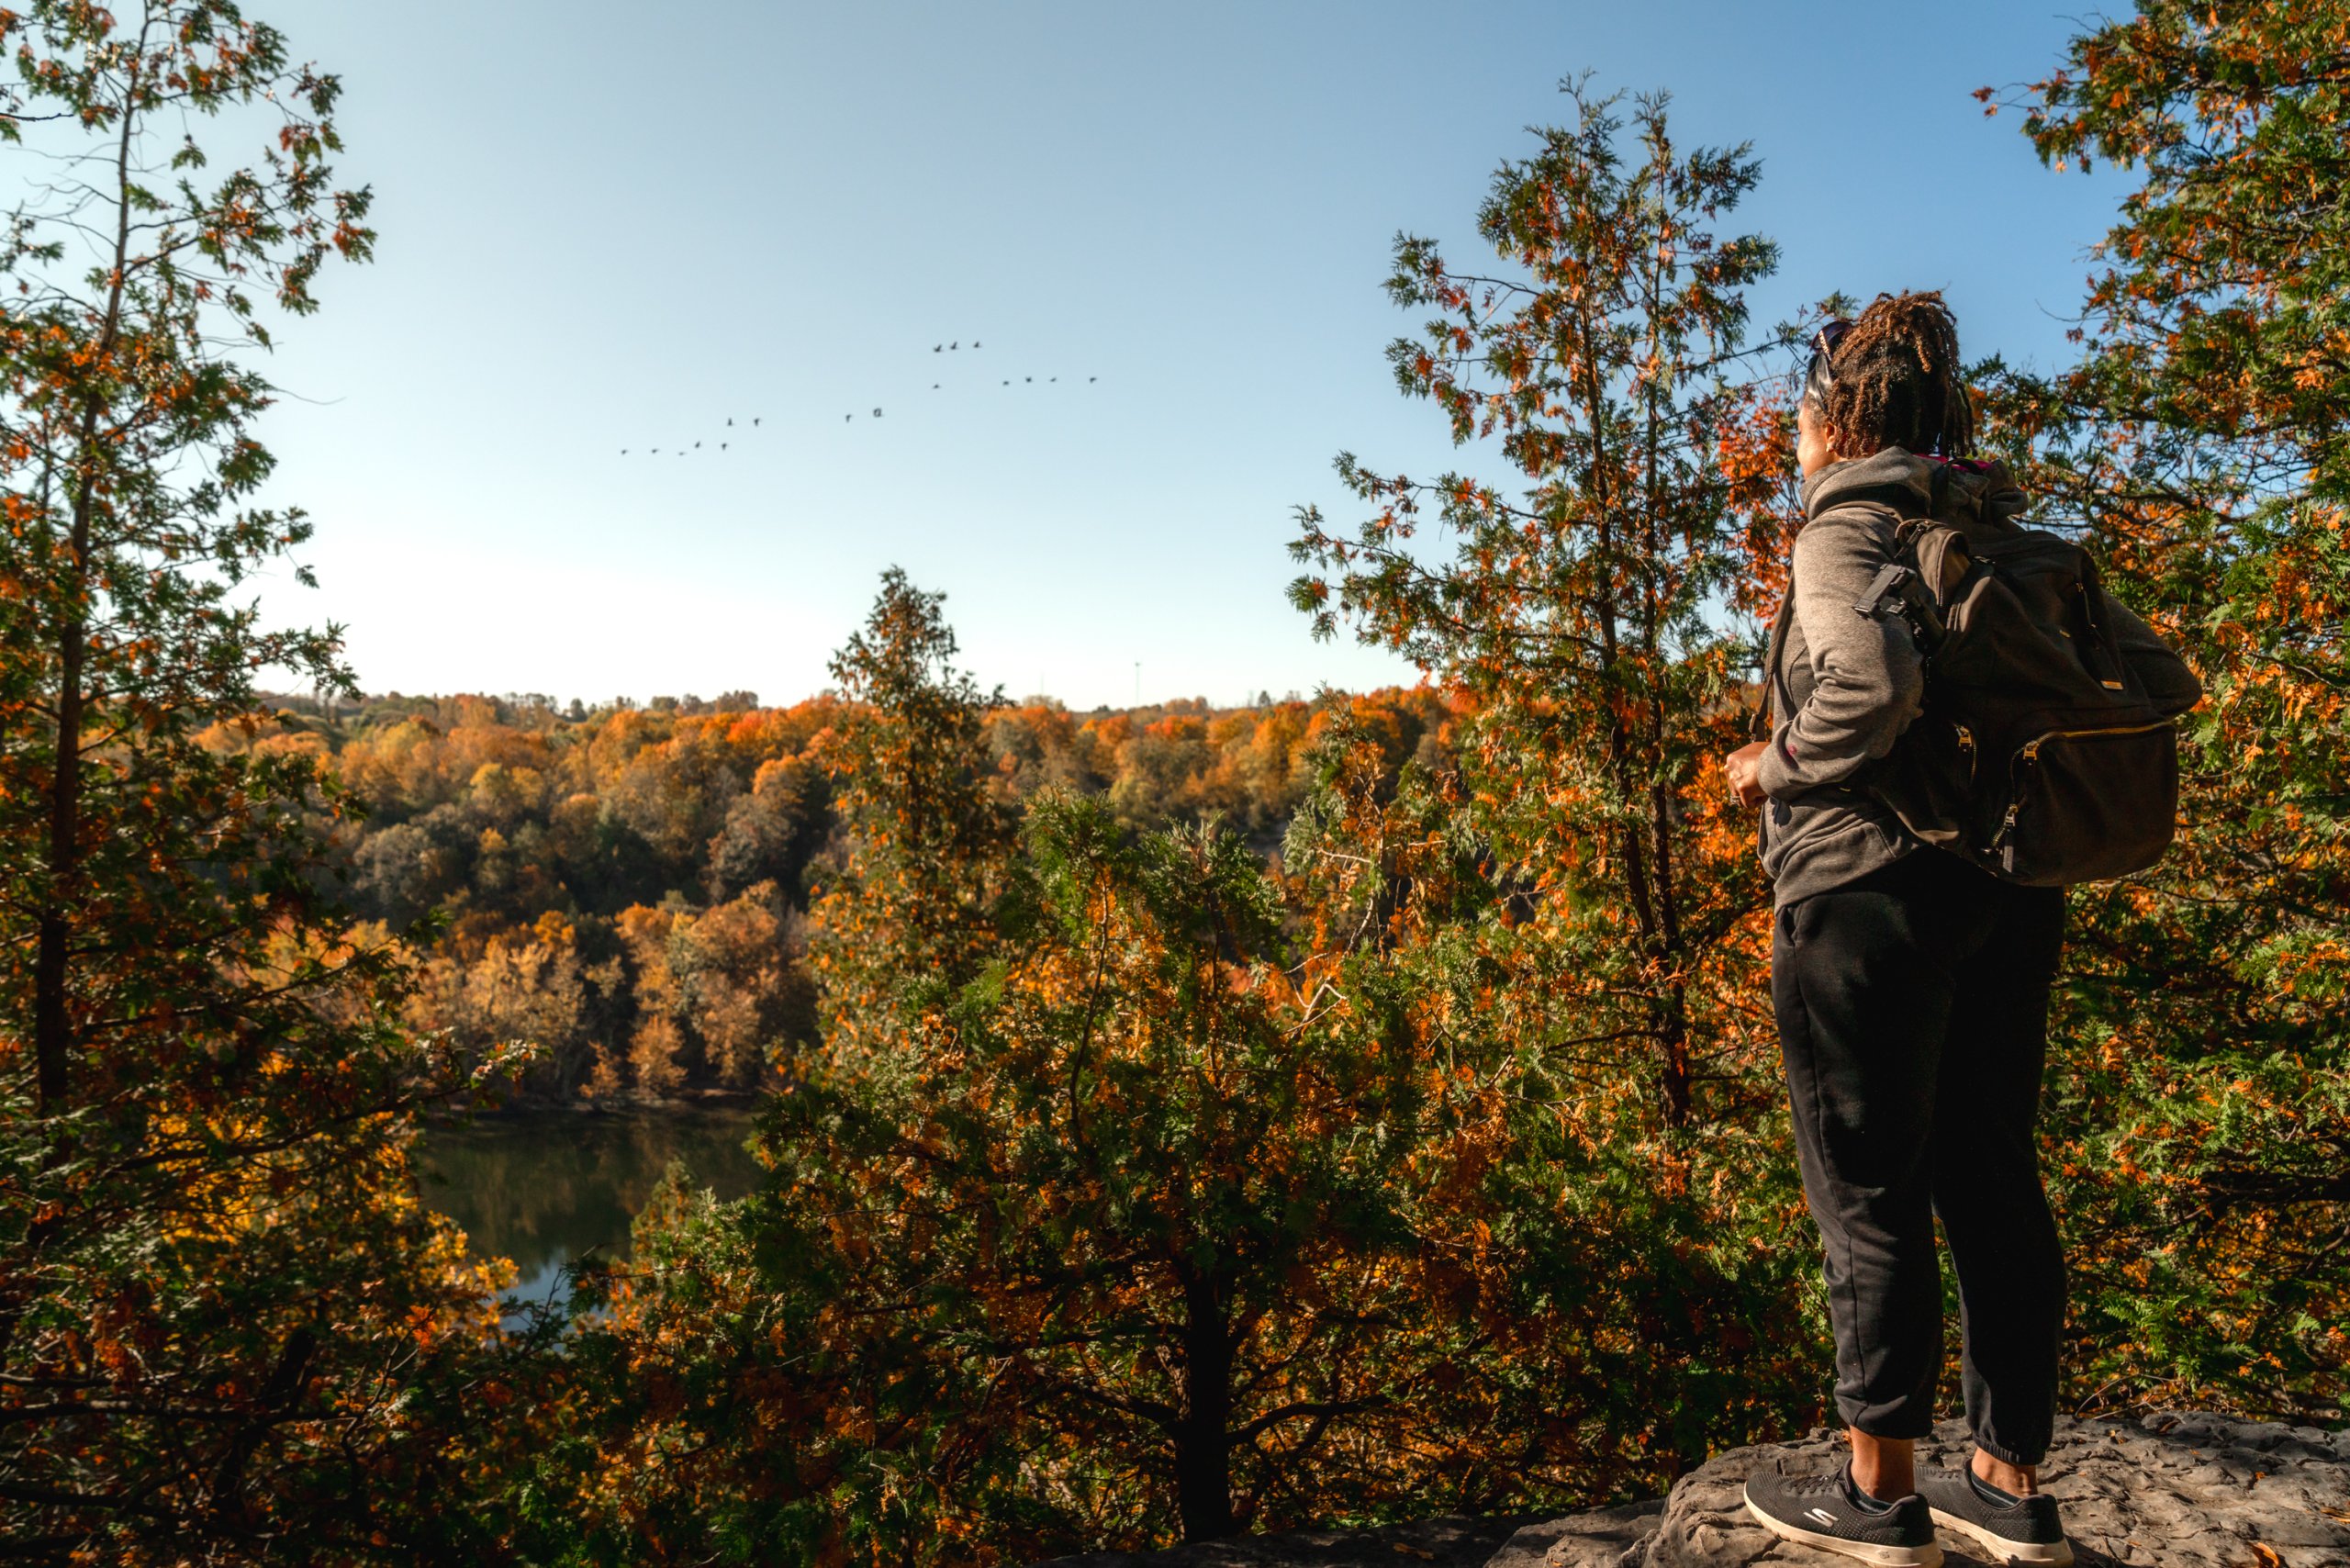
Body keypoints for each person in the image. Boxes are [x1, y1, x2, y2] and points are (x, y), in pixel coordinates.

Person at [1721, 293, 2201, 1568]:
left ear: (1834, 417)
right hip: (2004, 885)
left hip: (1863, 897)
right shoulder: (1990, 529)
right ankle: (2009, 1484)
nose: (1796, 431)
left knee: (1868, 1195)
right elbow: (2151, 675)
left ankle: (1877, 1498)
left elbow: (1867, 690)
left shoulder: (1845, 524)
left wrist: (1772, 767)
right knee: (1991, 1171)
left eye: (1803, 410)